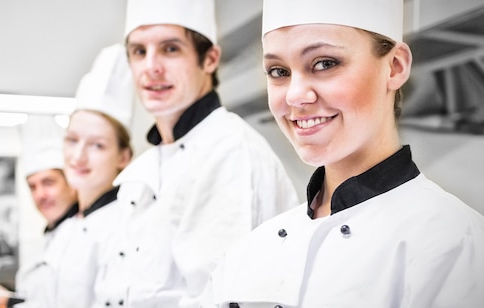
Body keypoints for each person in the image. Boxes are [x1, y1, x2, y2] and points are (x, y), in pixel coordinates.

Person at [202, 0, 484, 307]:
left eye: (325, 63)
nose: (296, 95)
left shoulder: (454, 243)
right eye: (278, 71)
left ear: (395, 66)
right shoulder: (248, 252)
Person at [93, 0, 299, 307]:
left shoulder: (231, 152)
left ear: (210, 59)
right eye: (139, 51)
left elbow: (223, 298)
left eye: (170, 48)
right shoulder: (147, 167)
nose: (151, 66)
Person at [53, 43, 134, 308]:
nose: (78, 157)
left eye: (97, 145)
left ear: (123, 157)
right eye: (72, 140)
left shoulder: (126, 228)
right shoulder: (68, 224)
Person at [0, 115, 77, 307]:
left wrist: (9, 302)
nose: (40, 194)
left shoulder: (84, 235)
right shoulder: (49, 236)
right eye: (32, 187)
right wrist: (9, 298)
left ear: (71, 183)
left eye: (48, 183)